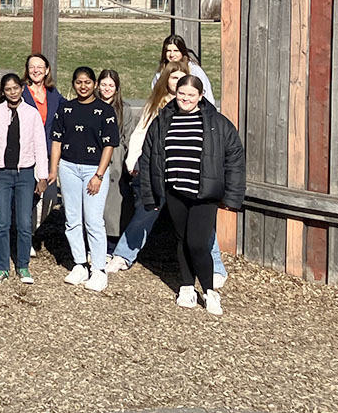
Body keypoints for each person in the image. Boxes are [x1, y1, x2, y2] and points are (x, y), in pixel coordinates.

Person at [107, 62, 229, 285]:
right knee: (146, 212)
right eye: (173, 79)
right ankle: (124, 254)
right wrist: (133, 160)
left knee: (201, 223)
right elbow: (140, 134)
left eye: (182, 79)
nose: (177, 84)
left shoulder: (198, 106)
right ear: (167, 81)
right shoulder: (156, 105)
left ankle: (216, 266)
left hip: (190, 176)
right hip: (157, 171)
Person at [137, 76, 244, 315]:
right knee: (181, 239)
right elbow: (148, 157)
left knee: (197, 242)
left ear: (201, 95)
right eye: (181, 94)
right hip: (175, 191)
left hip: (204, 193)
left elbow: (235, 159)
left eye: (191, 95)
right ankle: (187, 286)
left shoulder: (216, 123)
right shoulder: (163, 121)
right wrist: (151, 194)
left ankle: (209, 291)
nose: (185, 99)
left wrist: (233, 197)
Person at [49, 67, 119, 292]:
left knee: (93, 220)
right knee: (72, 218)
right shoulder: (65, 109)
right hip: (68, 167)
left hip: (93, 169)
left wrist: (99, 174)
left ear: (95, 84)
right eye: (79, 82)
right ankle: (79, 263)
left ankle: (98, 269)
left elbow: (109, 145)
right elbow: (57, 140)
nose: (83, 86)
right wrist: (54, 169)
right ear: (73, 84)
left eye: (88, 82)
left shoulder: (105, 111)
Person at [0, 74, 48, 285]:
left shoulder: (31, 114)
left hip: (25, 173)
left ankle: (23, 266)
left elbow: (39, 144)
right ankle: (2, 267)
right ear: (3, 92)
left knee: (24, 223)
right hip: (1, 173)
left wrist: (42, 176)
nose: (13, 92)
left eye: (16, 88)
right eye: (8, 89)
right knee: (2, 223)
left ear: (21, 89)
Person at [22, 53, 64, 241]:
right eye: (32, 67)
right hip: (25, 153)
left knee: (50, 196)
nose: (36, 70)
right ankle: (25, 237)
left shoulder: (54, 94)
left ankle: (31, 229)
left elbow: (67, 114)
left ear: (47, 70)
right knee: (27, 196)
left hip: (47, 154)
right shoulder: (21, 92)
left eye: (40, 67)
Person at [97, 69, 128, 243]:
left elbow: (127, 137)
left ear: (116, 88)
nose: (107, 88)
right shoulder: (91, 105)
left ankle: (111, 244)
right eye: (104, 84)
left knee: (113, 206)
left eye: (111, 85)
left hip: (116, 160)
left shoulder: (124, 109)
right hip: (94, 156)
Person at [151, 34, 216, 105]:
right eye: (168, 51)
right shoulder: (161, 71)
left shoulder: (194, 70)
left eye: (176, 51)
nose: (172, 54)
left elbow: (207, 96)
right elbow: (155, 95)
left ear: (182, 52)